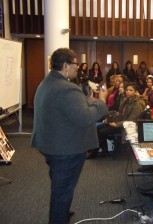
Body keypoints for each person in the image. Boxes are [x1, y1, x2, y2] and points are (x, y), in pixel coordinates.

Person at [31, 48, 108, 224]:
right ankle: (59, 216)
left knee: (60, 186)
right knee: (62, 191)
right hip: (66, 149)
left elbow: (66, 110)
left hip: (50, 144)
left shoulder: (47, 83)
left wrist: (85, 101)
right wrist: (102, 101)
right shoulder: (67, 89)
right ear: (66, 66)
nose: (78, 68)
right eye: (75, 64)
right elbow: (85, 118)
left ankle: (62, 211)